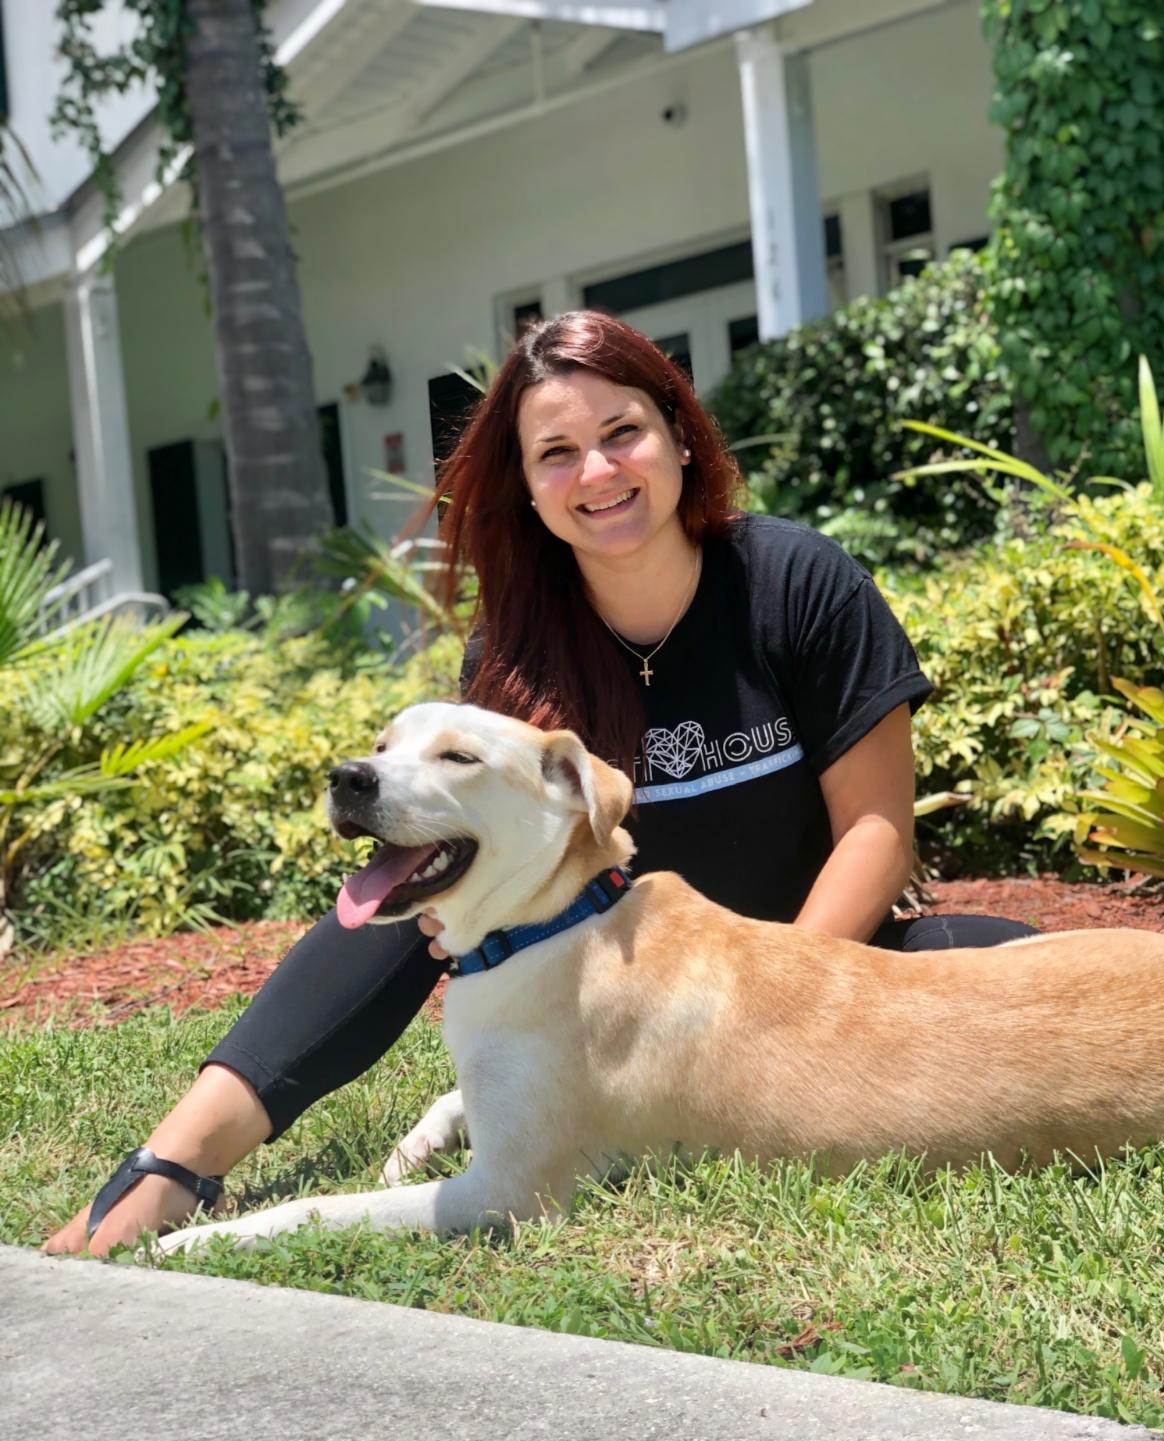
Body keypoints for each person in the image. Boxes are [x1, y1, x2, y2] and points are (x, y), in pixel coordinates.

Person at [44, 309, 1034, 1258]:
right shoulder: (517, 657)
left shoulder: (797, 583)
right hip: (616, 977)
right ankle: (180, 1158)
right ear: (525, 485)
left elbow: (875, 830)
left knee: (1043, 981)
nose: (596, 471)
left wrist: (786, 995)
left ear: (681, 438)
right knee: (400, 892)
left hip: (817, 956)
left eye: (622, 432)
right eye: (556, 452)